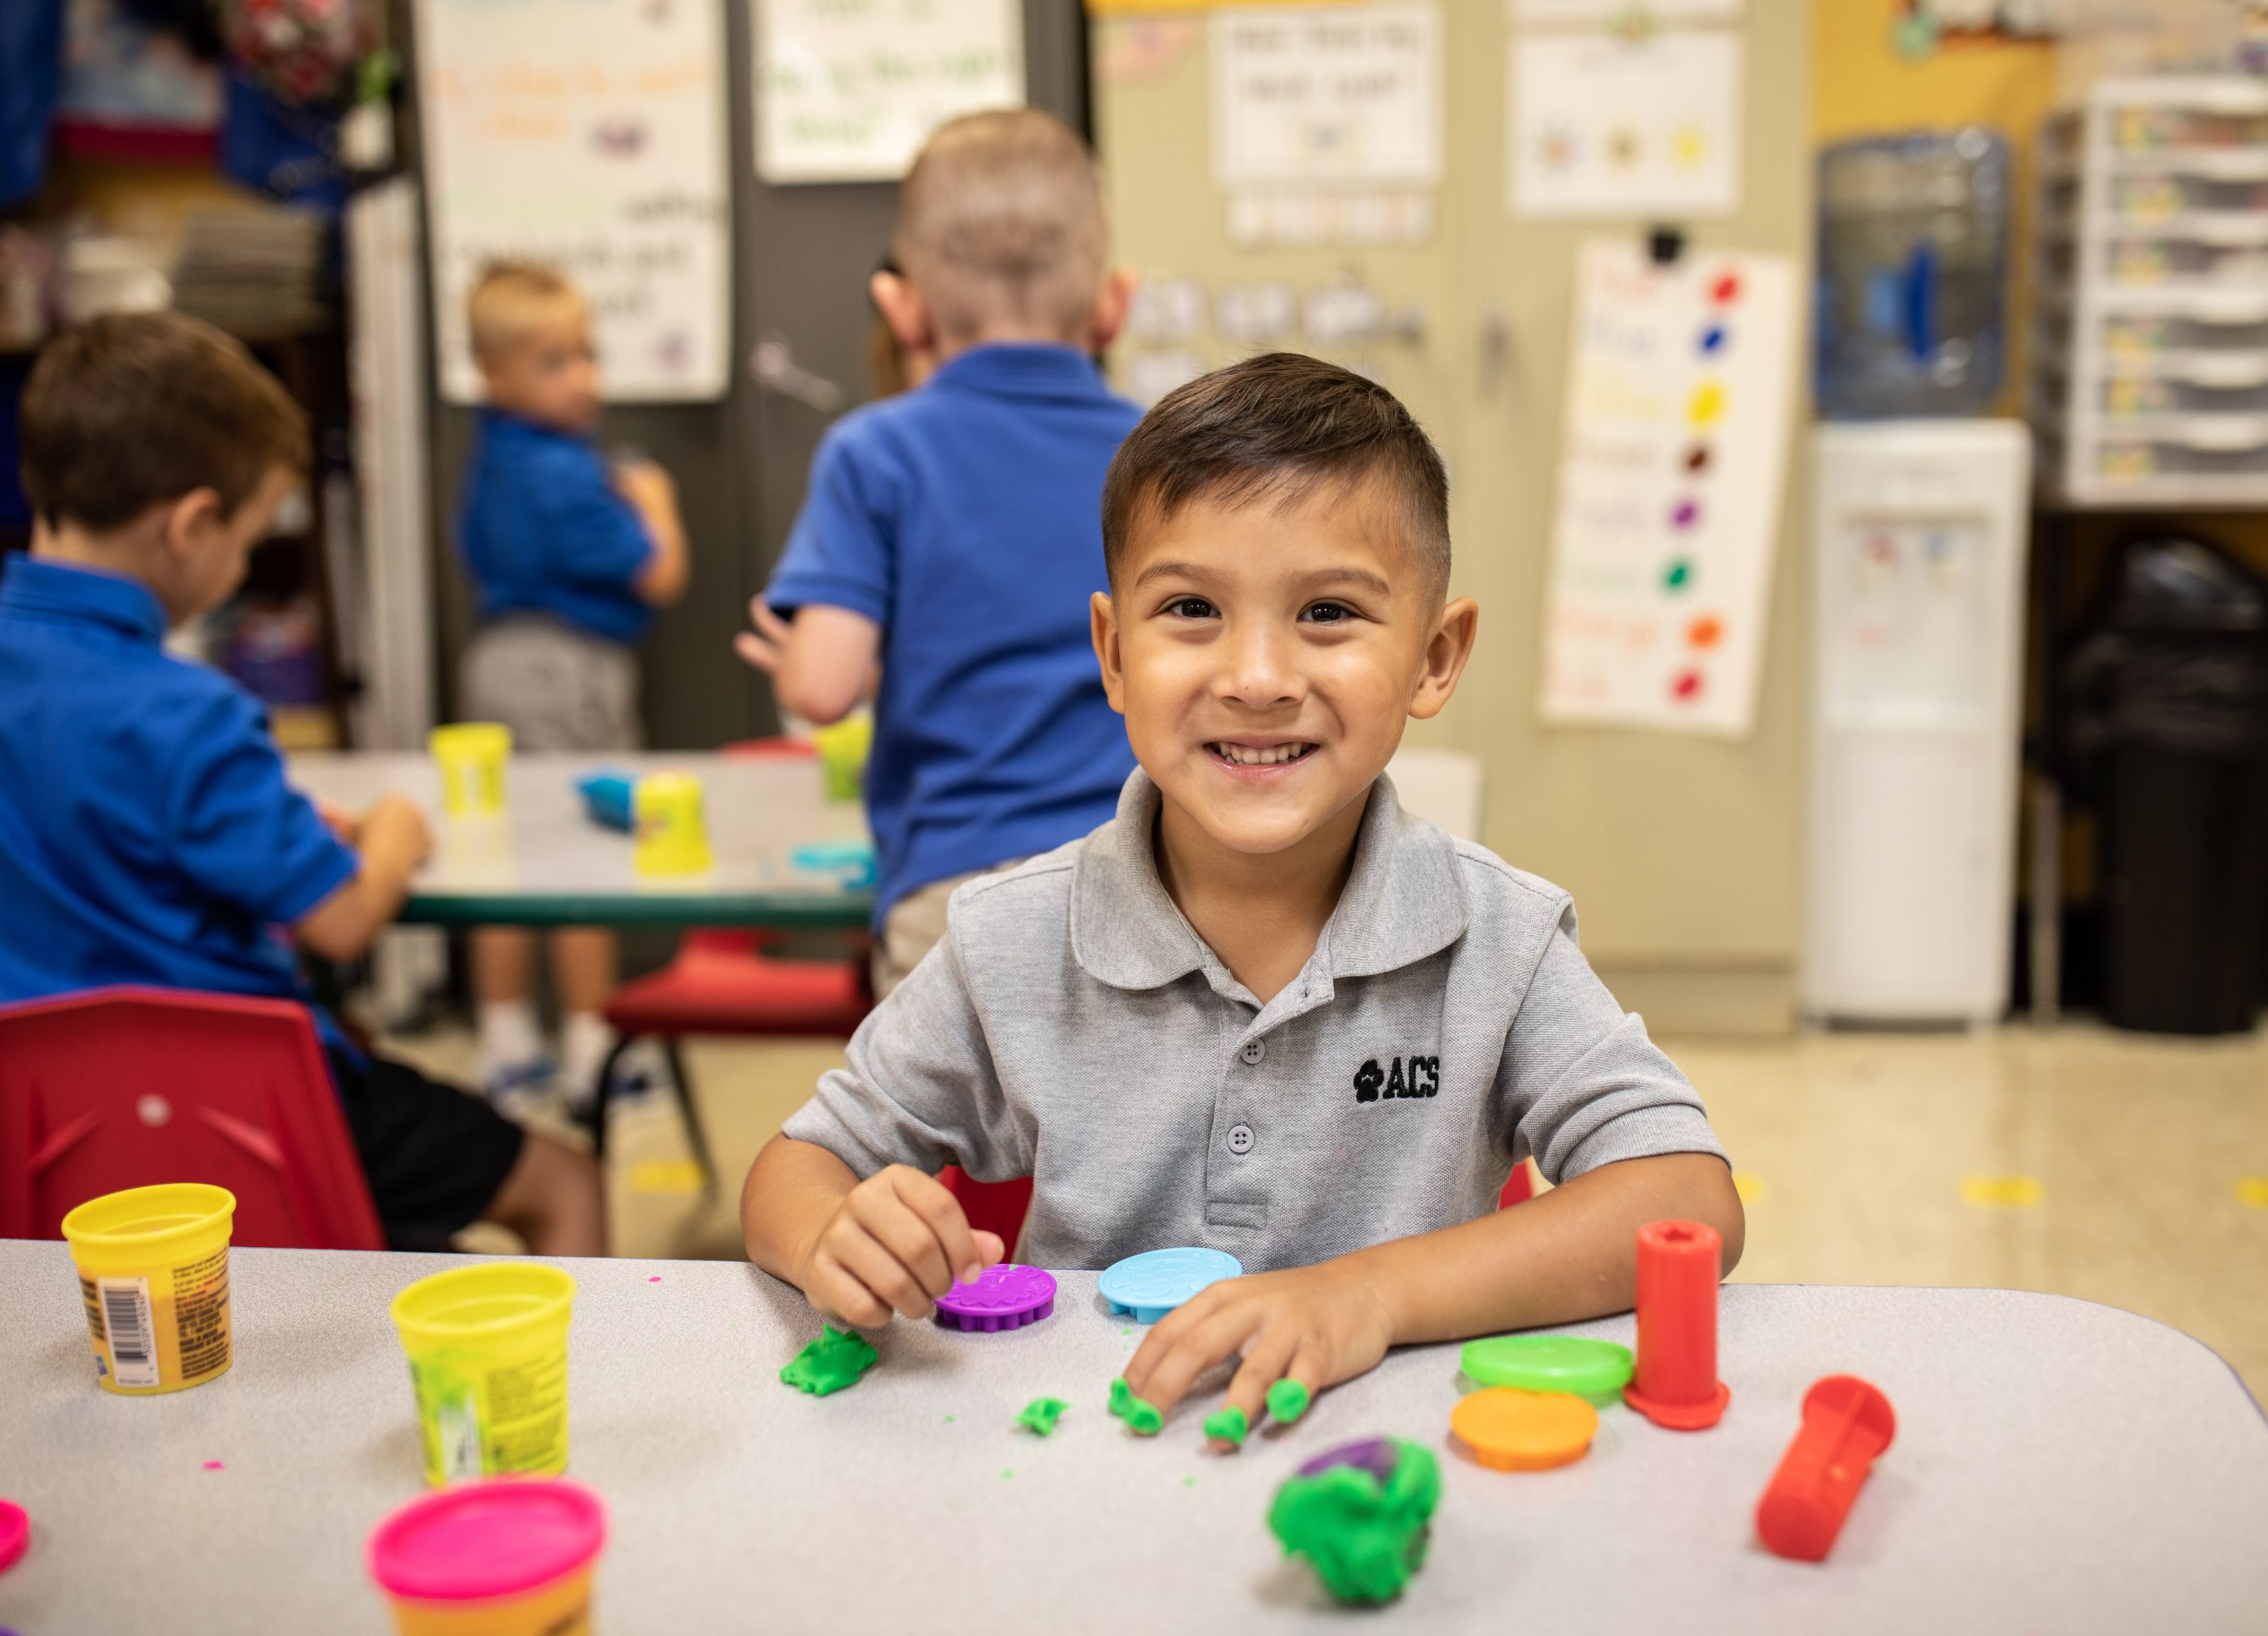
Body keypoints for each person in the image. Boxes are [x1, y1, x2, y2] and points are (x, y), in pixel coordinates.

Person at [740, 353, 1743, 1436]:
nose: (1257, 677)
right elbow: (796, 1167)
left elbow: (1686, 1199)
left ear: (1435, 656)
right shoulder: (1012, 935)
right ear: (1115, 654)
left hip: (1394, 1464)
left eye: (1325, 611)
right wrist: (830, 1232)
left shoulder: (1500, 938)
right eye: (1190, 609)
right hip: (1089, 1463)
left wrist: (1366, 1293)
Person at [0, 312, 604, 1255]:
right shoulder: (186, 711)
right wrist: (396, 831)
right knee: (564, 1181)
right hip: (231, 1108)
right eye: (248, 535)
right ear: (193, 526)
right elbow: (341, 921)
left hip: (37, 1129)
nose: (243, 561)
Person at [734, 109, 1141, 997]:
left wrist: (836, 654)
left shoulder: (875, 452)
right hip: (1148, 886)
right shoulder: (1164, 451)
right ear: (1115, 301)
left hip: (958, 903)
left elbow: (819, 686)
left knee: (943, 1139)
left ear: (901, 306)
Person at [455, 261, 691, 1110]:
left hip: (498, 659)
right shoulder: (563, 475)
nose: (583, 378)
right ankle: (596, 1049)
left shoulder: (497, 456)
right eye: (554, 362)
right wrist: (655, 501)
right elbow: (657, 573)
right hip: (565, 670)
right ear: (494, 374)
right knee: (581, 859)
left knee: (509, 861)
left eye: (586, 354)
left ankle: (506, 1039)